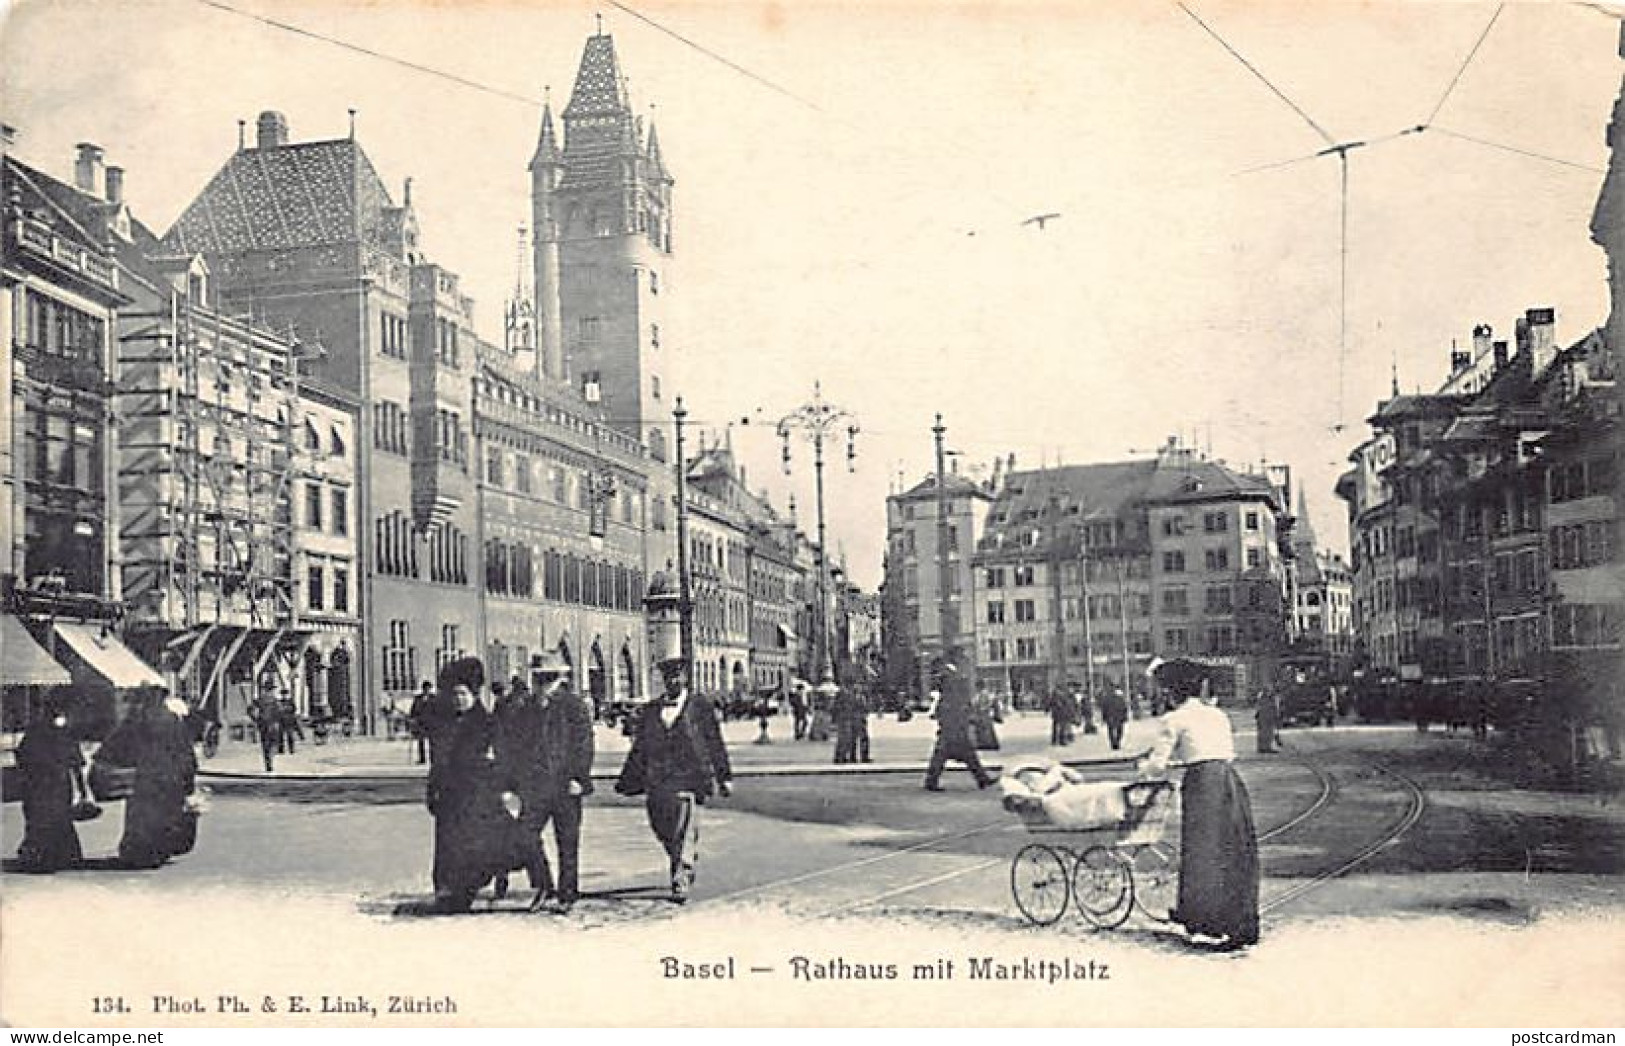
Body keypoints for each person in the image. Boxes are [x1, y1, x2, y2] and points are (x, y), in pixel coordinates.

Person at [1140, 659, 1260, 950]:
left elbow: (1156, 766)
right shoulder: (1218, 715)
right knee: (1234, 849)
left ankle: (1205, 918)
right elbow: (1225, 752)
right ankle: (1239, 919)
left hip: (1202, 785)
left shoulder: (1174, 719)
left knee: (1202, 851)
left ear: (1172, 693)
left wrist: (1144, 767)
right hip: (1229, 780)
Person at [426, 657, 546, 914]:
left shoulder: (487, 724)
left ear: (474, 693)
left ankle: (467, 889)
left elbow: (503, 759)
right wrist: (432, 791)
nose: (458, 699)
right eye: (454, 694)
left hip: (479, 797)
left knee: (488, 845)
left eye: (463, 694)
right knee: (448, 846)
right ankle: (448, 891)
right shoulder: (446, 724)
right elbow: (438, 763)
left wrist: (505, 788)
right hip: (450, 798)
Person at [615, 656, 733, 903]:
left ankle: (681, 873)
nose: (673, 682)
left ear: (685, 678)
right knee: (661, 826)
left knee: (684, 826)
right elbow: (640, 747)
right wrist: (629, 779)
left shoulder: (700, 707)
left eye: (677, 677)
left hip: (690, 776)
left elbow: (714, 742)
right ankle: (682, 856)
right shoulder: (651, 710)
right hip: (657, 779)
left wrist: (724, 776)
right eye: (669, 678)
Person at [496, 655, 594, 913]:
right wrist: (510, 785)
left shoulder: (574, 706)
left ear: (559, 678)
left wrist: (579, 777)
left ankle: (567, 894)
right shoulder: (524, 708)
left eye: (549, 677)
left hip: (565, 786)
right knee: (524, 836)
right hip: (534, 787)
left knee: (568, 842)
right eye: (538, 677)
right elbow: (513, 748)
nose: (543, 683)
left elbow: (583, 744)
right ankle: (544, 884)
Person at [97, 689, 199, 870]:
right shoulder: (173, 721)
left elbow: (116, 744)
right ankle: (161, 849)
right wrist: (188, 779)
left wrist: (106, 759)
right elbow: (185, 752)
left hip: (145, 777)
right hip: (170, 778)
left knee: (143, 816)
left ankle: (141, 851)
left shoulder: (137, 719)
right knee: (166, 815)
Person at [14, 696, 86, 872]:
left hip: (51, 784)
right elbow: (76, 762)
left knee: (53, 818)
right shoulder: (40, 732)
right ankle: (50, 856)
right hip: (45, 783)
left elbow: (75, 762)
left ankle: (53, 855)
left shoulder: (50, 732)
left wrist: (82, 788)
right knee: (47, 819)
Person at [923, 661, 995, 791]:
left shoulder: (947, 691)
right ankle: (982, 778)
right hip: (954, 729)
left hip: (953, 728)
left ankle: (982, 778)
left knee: (962, 755)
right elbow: (954, 710)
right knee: (955, 754)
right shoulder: (951, 691)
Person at [250, 689, 281, 772]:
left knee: (266, 745)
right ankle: (270, 761)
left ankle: (268, 763)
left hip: (263, 725)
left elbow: (250, 710)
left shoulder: (260, 700)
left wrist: (256, 719)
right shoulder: (274, 701)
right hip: (271, 725)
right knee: (272, 743)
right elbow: (279, 713)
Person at [407, 680, 436, 765]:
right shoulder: (418, 698)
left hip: (431, 723)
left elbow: (437, 710)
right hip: (421, 722)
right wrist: (412, 718)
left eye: (428, 688)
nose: (426, 690)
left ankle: (433, 758)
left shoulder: (434, 698)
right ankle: (422, 759)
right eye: (425, 688)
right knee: (421, 741)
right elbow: (413, 709)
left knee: (432, 742)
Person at [1099, 687, 1130, 751]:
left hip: (1111, 717)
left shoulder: (1106, 699)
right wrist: (1125, 717)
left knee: (1111, 731)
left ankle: (1114, 743)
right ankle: (1116, 742)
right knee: (1119, 730)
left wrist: (1104, 718)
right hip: (1118, 717)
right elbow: (1124, 708)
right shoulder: (1120, 698)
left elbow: (1103, 709)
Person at [1254, 689, 1281, 754]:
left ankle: (1265, 747)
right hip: (1265, 714)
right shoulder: (1264, 696)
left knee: (1267, 731)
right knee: (1265, 731)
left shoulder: (1271, 697)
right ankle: (1264, 747)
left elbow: (1258, 705)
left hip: (1267, 714)